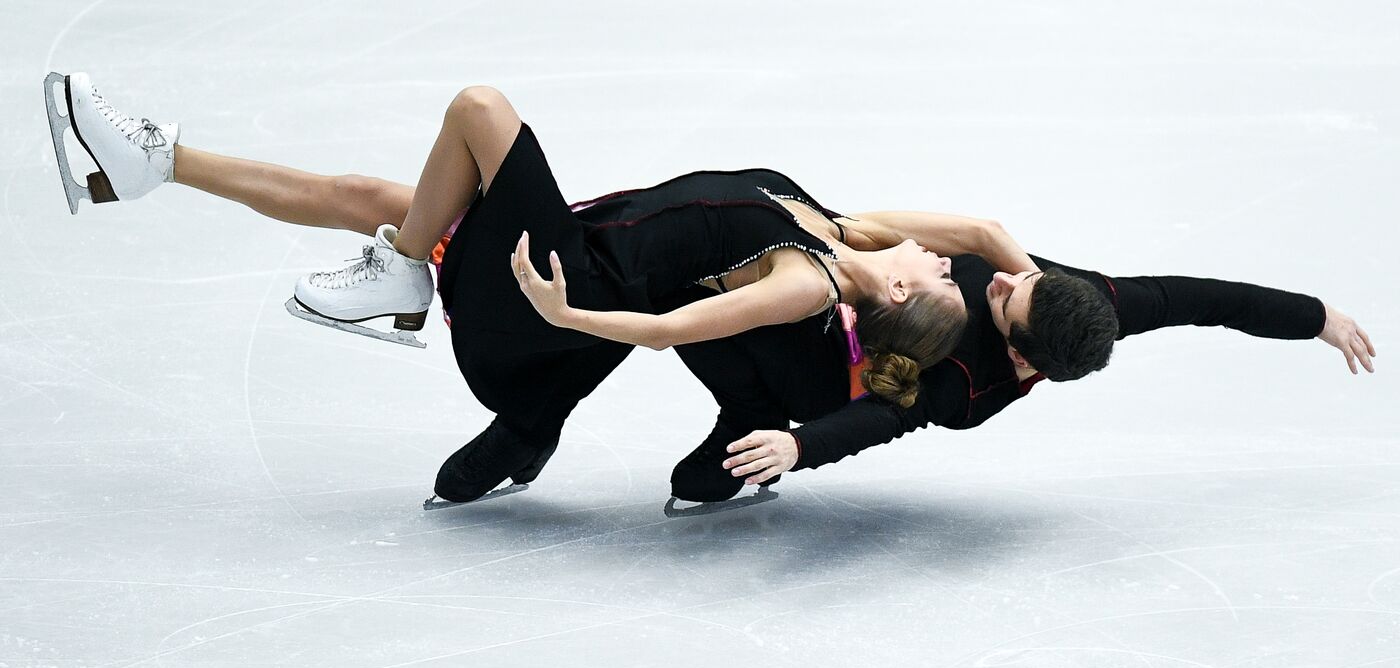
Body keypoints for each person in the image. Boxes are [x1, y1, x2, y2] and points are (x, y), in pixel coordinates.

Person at [46, 73, 1081, 504]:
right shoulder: (844, 227)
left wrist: (567, 314)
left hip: (547, 281)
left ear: (889, 299)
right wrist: (1031, 281)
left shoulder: (804, 279)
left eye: (935, 275)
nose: (946, 259)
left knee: (480, 109)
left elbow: (677, 325)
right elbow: (985, 231)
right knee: (369, 192)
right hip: (573, 238)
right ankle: (152, 161)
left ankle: (401, 278)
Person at [667, 253, 1376, 503]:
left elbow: (882, 417)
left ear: (1028, 357)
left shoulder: (961, 385)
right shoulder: (1095, 304)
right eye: (1031, 276)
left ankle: (747, 414)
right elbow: (1211, 301)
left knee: (713, 449)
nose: (1004, 275)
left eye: (1011, 297)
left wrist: (796, 446)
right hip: (853, 291)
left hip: (823, 379)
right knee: (683, 290)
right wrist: (1317, 317)